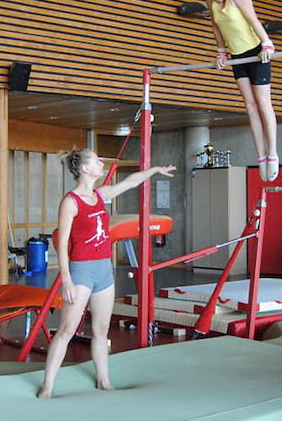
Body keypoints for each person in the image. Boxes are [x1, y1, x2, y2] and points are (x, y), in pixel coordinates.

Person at [37, 149, 176, 398]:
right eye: (97, 160)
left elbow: (130, 182)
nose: (102, 163)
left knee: (101, 331)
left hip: (104, 270)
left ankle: (104, 381)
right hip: (81, 271)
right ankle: (47, 386)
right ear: (85, 169)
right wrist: (66, 279)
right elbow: (62, 242)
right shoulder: (70, 201)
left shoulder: (99, 195)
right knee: (67, 329)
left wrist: (155, 170)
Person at [202, 0, 279, 182]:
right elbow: (215, 26)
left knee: (263, 103)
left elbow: (253, 20)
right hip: (237, 55)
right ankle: (261, 154)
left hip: (255, 52)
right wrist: (220, 51)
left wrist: (267, 44)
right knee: (249, 105)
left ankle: (272, 152)